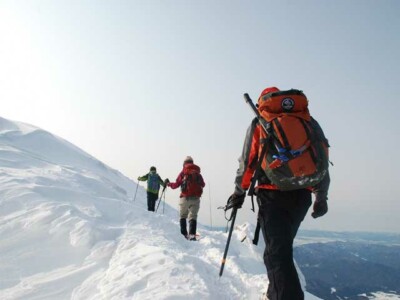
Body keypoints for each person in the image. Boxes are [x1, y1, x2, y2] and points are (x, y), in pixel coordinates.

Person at [227, 87, 330, 300]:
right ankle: (275, 293)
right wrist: (321, 196)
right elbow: (322, 159)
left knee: (276, 254)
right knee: (281, 249)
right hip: (302, 196)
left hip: (272, 195)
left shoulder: (260, 123)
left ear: (262, 102)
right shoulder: (308, 122)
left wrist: (238, 192)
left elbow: (247, 162)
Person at [166, 156, 205, 240]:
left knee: (183, 216)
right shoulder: (197, 173)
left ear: (184, 163)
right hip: (196, 198)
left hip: (185, 197)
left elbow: (176, 184)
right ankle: (192, 236)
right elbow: (203, 184)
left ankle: (184, 235)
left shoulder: (183, 172)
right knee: (193, 217)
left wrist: (169, 184)